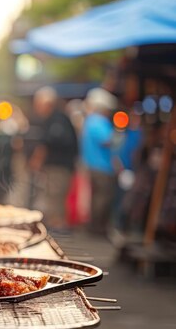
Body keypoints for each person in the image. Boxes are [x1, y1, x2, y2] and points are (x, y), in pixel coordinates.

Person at [28, 86, 78, 231]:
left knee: (55, 197)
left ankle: (58, 228)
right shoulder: (55, 118)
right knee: (53, 196)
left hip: (59, 167)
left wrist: (37, 158)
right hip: (59, 166)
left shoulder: (57, 119)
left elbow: (49, 142)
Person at [80, 87, 118, 236]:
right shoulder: (98, 121)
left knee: (97, 197)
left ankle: (95, 226)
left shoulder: (90, 121)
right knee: (102, 197)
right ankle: (97, 227)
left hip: (93, 165)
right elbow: (107, 140)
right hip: (101, 166)